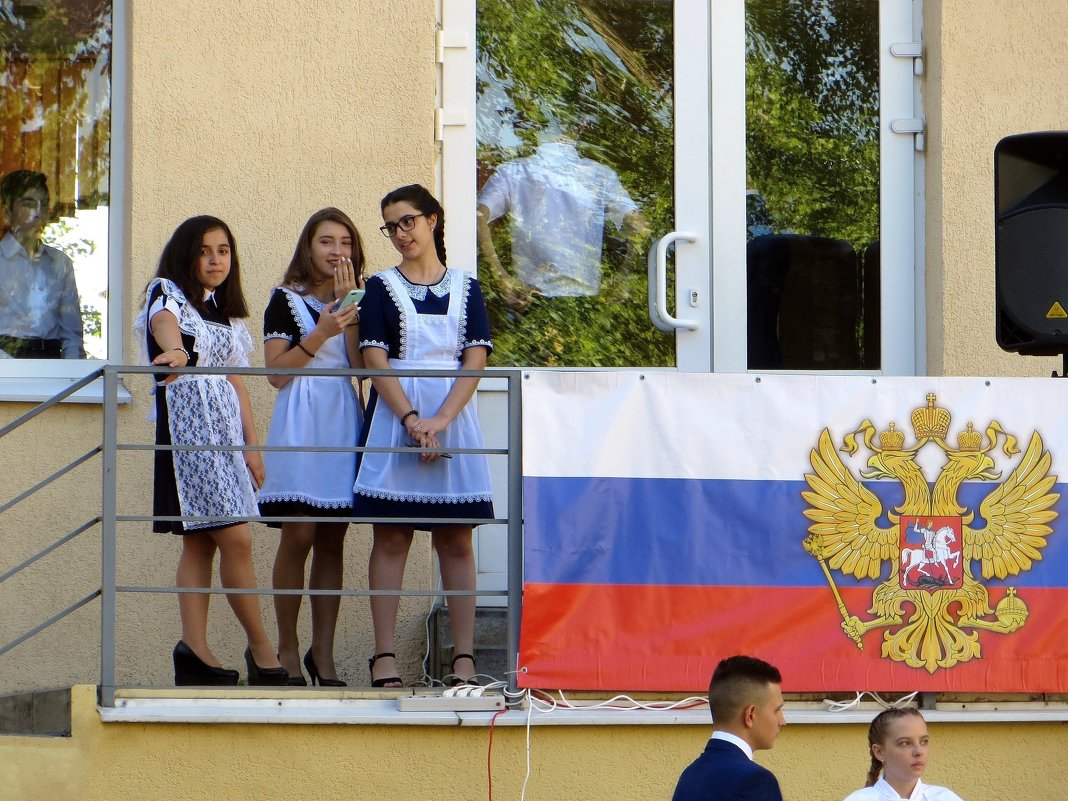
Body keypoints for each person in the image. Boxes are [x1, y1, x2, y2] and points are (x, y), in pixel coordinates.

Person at [134, 215, 287, 687]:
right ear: (186, 255)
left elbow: (236, 380)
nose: (216, 259)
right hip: (190, 434)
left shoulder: (222, 311)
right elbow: (163, 324)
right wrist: (175, 350)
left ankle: (195, 651)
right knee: (236, 538)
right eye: (205, 250)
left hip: (226, 436)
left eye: (223, 250)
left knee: (200, 541)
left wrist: (252, 446)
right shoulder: (169, 294)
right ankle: (263, 651)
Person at [353, 184, 494, 687]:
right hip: (396, 418)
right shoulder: (378, 287)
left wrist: (442, 420)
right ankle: (384, 655)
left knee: (456, 538)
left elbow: (474, 358)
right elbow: (374, 358)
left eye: (407, 221)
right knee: (391, 535)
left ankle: (464, 658)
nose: (399, 233)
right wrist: (413, 419)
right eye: (390, 226)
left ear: (433, 219)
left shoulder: (467, 286)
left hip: (452, 417)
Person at [258, 207, 365, 686]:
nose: (336, 251)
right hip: (301, 419)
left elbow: (364, 369)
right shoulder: (284, 300)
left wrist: (349, 310)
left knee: (332, 539)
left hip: (341, 418)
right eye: (326, 241)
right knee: (298, 532)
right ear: (308, 247)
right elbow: (277, 374)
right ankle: (286, 644)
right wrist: (323, 329)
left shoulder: (363, 302)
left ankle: (323, 653)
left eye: (344, 242)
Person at [476, 123, 648, 310]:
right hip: (585, 300)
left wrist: (501, 277)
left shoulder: (512, 172)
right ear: (579, 129)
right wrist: (623, 275)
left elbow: (478, 218)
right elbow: (638, 226)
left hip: (529, 297)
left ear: (535, 130)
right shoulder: (600, 175)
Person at [673, 655, 787, 801]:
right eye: (777, 710)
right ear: (750, 715)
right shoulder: (756, 781)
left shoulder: (690, 775)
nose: (782, 721)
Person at [0, 169, 84, 358]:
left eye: (43, 205)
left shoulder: (60, 263)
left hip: (50, 364)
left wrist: (73, 377)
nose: (38, 213)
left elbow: (72, 335)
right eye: (29, 204)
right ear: (7, 212)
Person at [842, 708, 966, 801]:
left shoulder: (944, 798)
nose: (919, 751)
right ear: (879, 752)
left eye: (924, 741)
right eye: (905, 743)